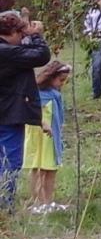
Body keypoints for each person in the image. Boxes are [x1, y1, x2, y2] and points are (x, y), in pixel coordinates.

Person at [0, 5, 52, 212]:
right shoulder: (6, 52)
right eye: (20, 34)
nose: (23, 38)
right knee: (9, 163)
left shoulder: (8, 50)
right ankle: (5, 206)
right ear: (10, 34)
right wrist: (36, 35)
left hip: (6, 111)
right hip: (8, 115)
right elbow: (41, 56)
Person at [23, 60, 72, 213]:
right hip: (39, 135)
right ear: (50, 77)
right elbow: (31, 110)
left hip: (52, 136)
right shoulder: (38, 95)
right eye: (60, 80)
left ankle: (48, 202)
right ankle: (37, 202)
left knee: (51, 168)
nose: (62, 84)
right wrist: (42, 122)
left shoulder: (55, 95)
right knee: (38, 168)